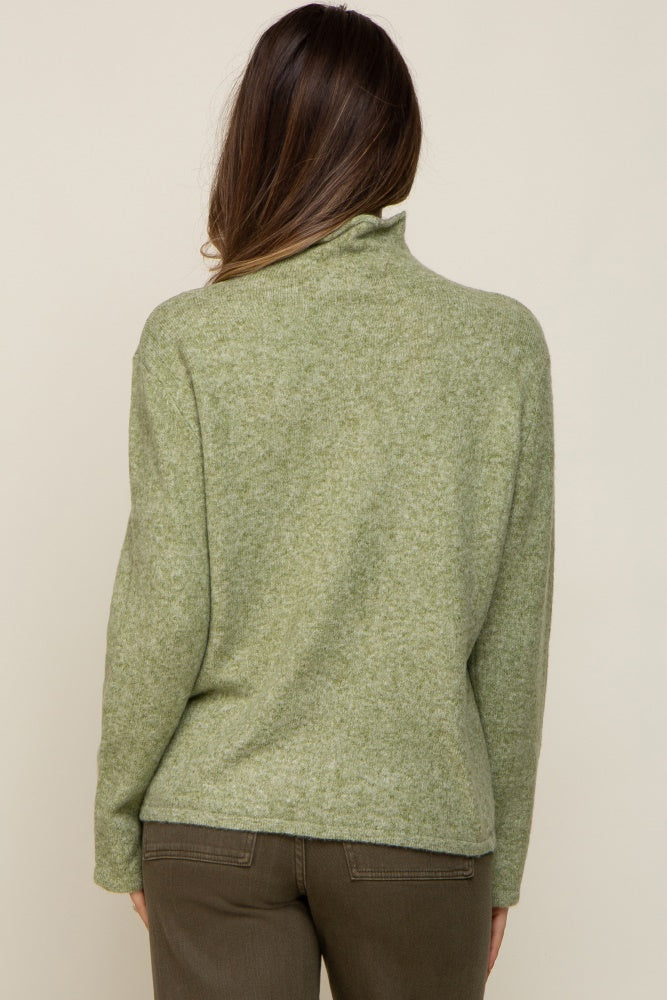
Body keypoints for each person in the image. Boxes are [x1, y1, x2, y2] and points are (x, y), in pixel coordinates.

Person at [93, 4, 555, 998]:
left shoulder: (189, 339)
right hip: (420, 823)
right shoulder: (499, 345)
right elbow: (513, 635)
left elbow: (161, 608)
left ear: (255, 142)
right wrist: (502, 860)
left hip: (213, 818)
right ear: (399, 145)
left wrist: (119, 821)